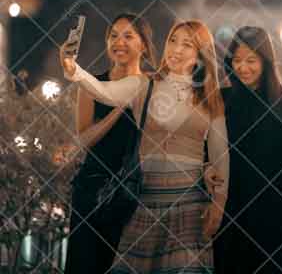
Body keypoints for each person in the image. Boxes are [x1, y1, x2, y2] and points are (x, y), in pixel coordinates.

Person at [61, 20, 229, 274]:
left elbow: (220, 154)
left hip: (190, 203)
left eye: (187, 44)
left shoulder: (210, 98)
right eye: (173, 41)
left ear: (200, 55)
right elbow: (103, 91)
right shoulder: (144, 84)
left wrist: (219, 203)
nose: (176, 49)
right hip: (146, 199)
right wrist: (73, 68)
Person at [208, 26, 282, 274]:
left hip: (272, 212)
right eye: (237, 60)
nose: (243, 67)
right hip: (228, 208)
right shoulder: (221, 99)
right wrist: (206, 168)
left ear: (266, 62)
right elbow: (205, 147)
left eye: (251, 60)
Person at [65, 13, 157, 274]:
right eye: (114, 36)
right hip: (93, 188)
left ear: (144, 44)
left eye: (128, 36)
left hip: (134, 192)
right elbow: (84, 139)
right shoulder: (91, 84)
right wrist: (118, 109)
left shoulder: (151, 86)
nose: (119, 42)